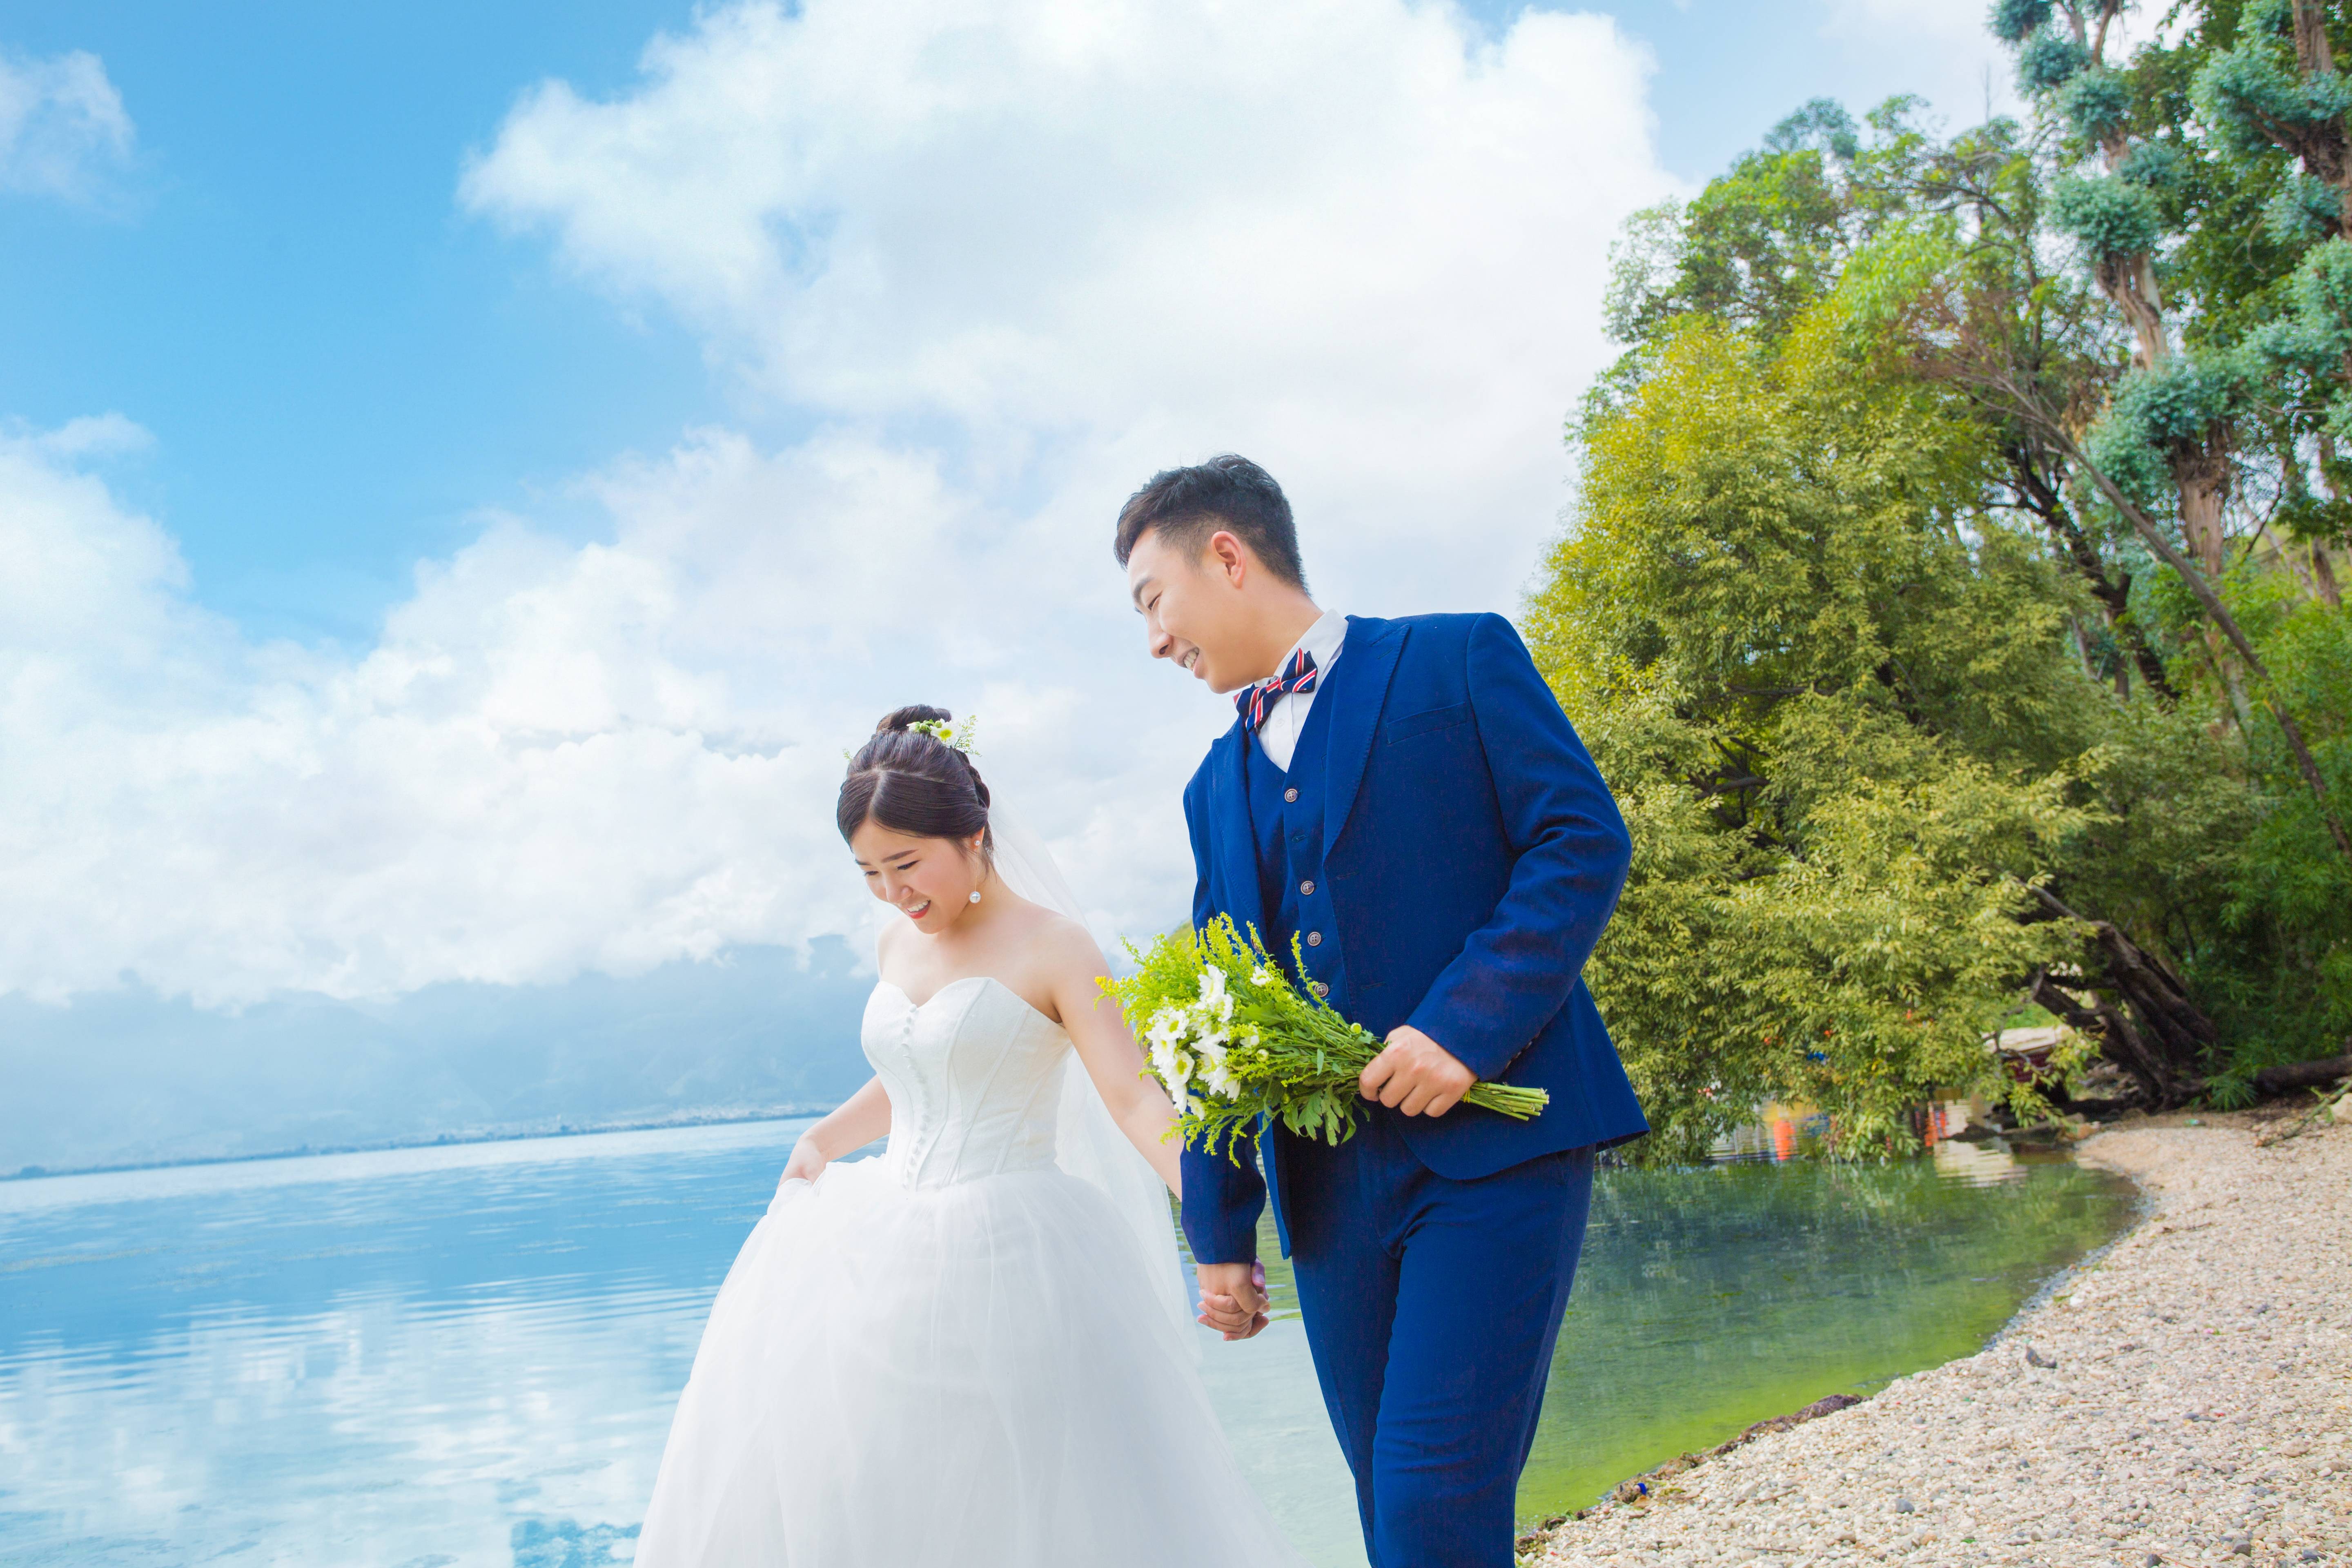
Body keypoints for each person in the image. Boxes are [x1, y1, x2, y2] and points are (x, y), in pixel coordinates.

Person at [1116, 456, 1649, 1568]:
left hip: (1499, 1155)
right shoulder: (1210, 790)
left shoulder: (1457, 660)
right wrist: (1220, 1234)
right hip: (1329, 1202)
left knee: (1429, 1500)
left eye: (1153, 601)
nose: (1154, 642)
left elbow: (1580, 840)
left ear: (1228, 557)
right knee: (1386, 1509)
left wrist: (1463, 1028)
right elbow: (1222, 1025)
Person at [633, 706, 1307, 1568]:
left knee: (1026, 1495)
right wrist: (822, 1139)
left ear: (974, 835)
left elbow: (1135, 1101)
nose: (894, 893)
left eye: (907, 864)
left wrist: (1220, 1227)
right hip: (880, 1239)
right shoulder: (896, 943)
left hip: (1015, 1248)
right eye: (870, 873)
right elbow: (916, 1067)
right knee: (871, 1485)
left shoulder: (1057, 947)